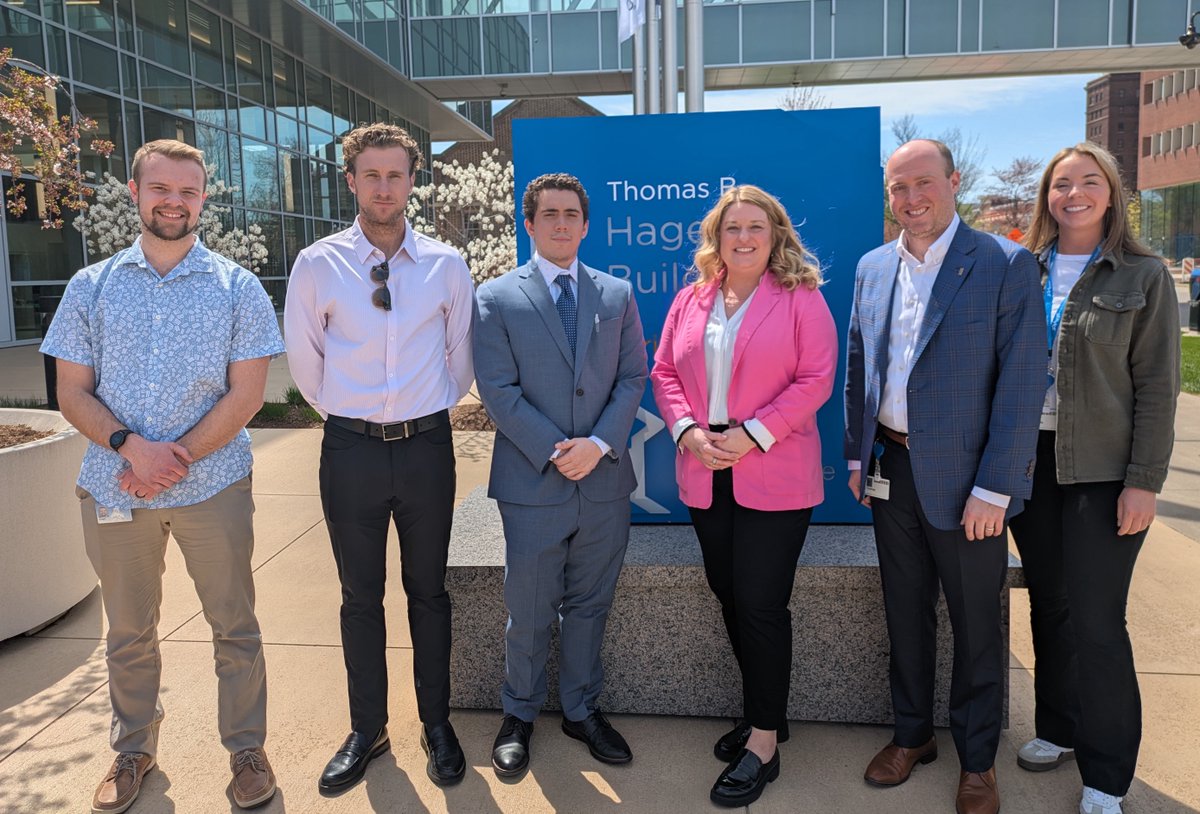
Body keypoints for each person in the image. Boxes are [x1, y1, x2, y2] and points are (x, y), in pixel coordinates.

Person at [41, 139, 284, 813]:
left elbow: (246, 395)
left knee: (235, 623)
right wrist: (131, 449)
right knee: (127, 630)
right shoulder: (91, 287)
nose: (174, 202)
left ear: (203, 198)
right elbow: (72, 389)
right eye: (161, 189)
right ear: (135, 191)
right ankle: (132, 750)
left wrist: (171, 457)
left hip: (215, 486)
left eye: (188, 191)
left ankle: (246, 748)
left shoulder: (238, 287)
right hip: (116, 485)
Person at [843, 139, 1045, 814]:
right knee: (904, 613)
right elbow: (858, 369)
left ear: (954, 182)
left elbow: (1021, 385)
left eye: (923, 183)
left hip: (970, 484)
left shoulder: (1004, 264)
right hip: (889, 469)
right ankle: (912, 735)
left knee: (975, 624)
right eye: (898, 189)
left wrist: (996, 487)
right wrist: (855, 455)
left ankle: (979, 759)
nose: (911, 199)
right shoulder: (874, 267)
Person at [284, 123, 475, 790]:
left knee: (429, 594)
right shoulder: (318, 265)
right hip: (351, 452)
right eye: (372, 175)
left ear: (412, 181)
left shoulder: (447, 266)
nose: (385, 187)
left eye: (396, 175)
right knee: (359, 598)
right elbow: (306, 367)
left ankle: (437, 723)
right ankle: (368, 728)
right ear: (352, 180)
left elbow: (460, 363)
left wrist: (420, 413)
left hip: (427, 450)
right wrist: (358, 413)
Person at [650, 184, 837, 807]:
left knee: (760, 605)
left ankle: (763, 743)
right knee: (729, 593)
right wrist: (686, 432)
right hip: (706, 467)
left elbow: (816, 379)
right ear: (717, 236)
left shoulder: (801, 298)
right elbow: (665, 373)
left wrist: (754, 435)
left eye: (757, 226)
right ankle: (769, 712)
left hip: (774, 471)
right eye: (733, 227)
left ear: (776, 234)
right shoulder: (693, 297)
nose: (745, 237)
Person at [1009, 143, 1180, 814]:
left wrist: (1144, 479)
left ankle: (1107, 775)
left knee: (1098, 620)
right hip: (1031, 465)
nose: (1072, 193)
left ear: (1111, 194)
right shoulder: (1023, 270)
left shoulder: (1142, 274)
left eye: (1088, 182)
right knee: (1047, 603)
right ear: (1046, 196)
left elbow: (1158, 386)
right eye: (1060, 184)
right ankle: (1058, 726)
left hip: (1105, 473)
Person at [473, 173, 648, 779]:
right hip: (532, 483)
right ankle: (518, 714)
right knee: (529, 609)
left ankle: (580, 710)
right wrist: (556, 449)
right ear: (530, 223)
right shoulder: (496, 297)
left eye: (572, 214)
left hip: (602, 483)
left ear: (586, 222)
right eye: (549, 214)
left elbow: (633, 378)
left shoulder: (617, 295)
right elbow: (497, 390)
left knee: (591, 605)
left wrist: (598, 444)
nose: (561, 224)